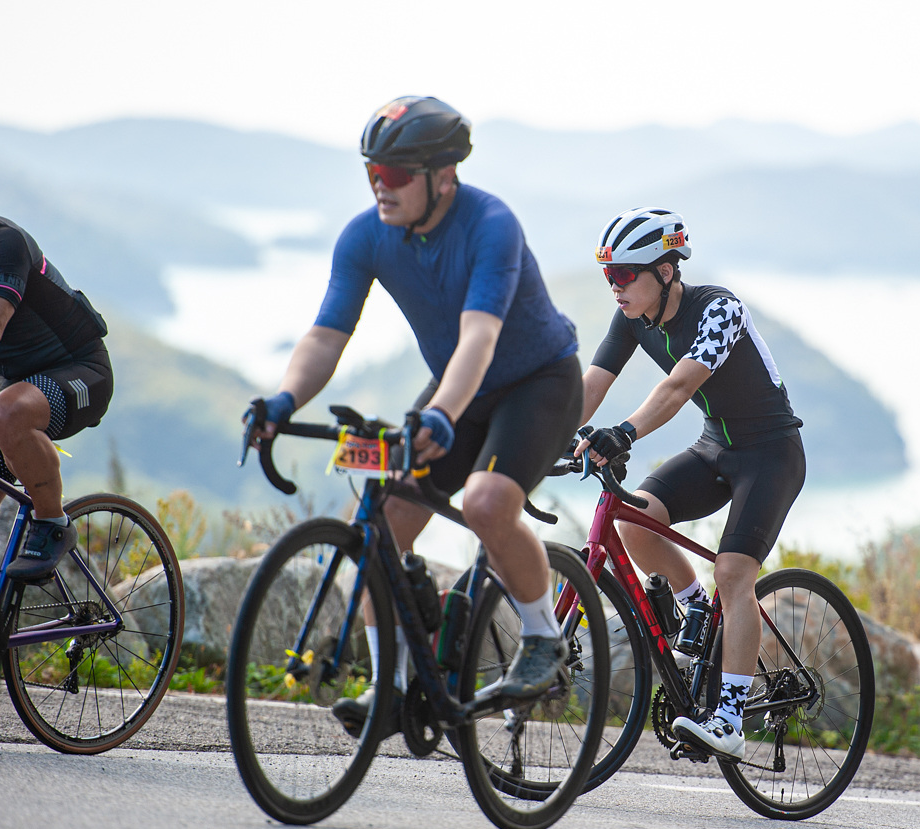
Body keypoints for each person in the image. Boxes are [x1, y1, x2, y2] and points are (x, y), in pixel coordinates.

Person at [252, 96, 583, 736]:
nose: (381, 185)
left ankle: (544, 638)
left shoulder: (491, 224)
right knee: (383, 520)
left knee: (487, 503)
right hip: (458, 386)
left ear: (444, 175)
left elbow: (480, 337)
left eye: (397, 174)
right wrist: (284, 400)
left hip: (537, 381)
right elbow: (326, 335)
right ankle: (392, 688)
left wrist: (441, 416)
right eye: (372, 172)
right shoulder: (366, 235)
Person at [576, 207, 806, 759]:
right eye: (608, 275)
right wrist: (546, 440)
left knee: (734, 572)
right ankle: (695, 606)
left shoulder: (719, 309)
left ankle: (730, 719)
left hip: (770, 454)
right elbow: (592, 385)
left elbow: (679, 387)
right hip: (715, 446)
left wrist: (623, 433)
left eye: (624, 274)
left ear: (666, 271)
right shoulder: (632, 318)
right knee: (637, 519)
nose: (615, 286)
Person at [0, 129, 114, 713]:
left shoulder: (1, 243)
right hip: (11, 381)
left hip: (78, 370)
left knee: (5, 411)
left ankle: (52, 521)